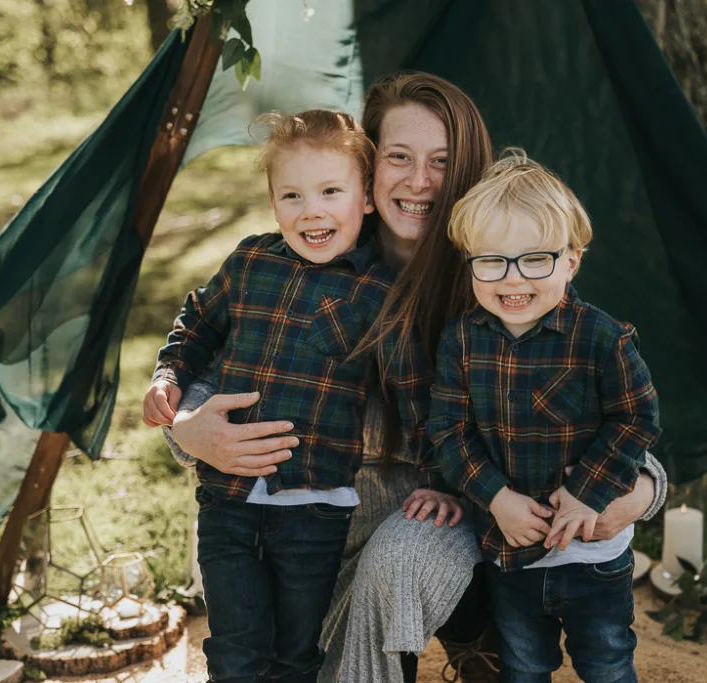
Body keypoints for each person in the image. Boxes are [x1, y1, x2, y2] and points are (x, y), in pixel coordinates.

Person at [166, 73, 669, 683]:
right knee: (258, 638)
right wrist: (187, 429)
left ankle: (475, 638)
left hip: (461, 510)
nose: (420, 181)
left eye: (442, 162)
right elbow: (223, 351)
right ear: (366, 172)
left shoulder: (507, 272)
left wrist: (641, 493)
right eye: (398, 157)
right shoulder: (311, 259)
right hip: (308, 516)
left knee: (399, 557)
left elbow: (609, 418)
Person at [144, 109, 439, 683]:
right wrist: (168, 380)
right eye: (293, 195)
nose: (312, 211)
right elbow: (197, 324)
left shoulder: (381, 293)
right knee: (233, 654)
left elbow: (414, 395)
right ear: (274, 200)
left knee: (296, 658)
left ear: (367, 199)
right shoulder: (251, 261)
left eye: (332, 191)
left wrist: (438, 480)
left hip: (315, 510)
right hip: (226, 504)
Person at [430, 151, 661, 683]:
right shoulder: (462, 341)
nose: (512, 280)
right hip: (510, 553)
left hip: (595, 554)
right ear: (470, 263)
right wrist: (496, 496)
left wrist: (588, 492)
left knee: (606, 664)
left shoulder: (603, 338)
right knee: (524, 666)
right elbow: (448, 432)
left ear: (572, 261)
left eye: (536, 259)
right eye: (491, 261)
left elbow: (635, 419)